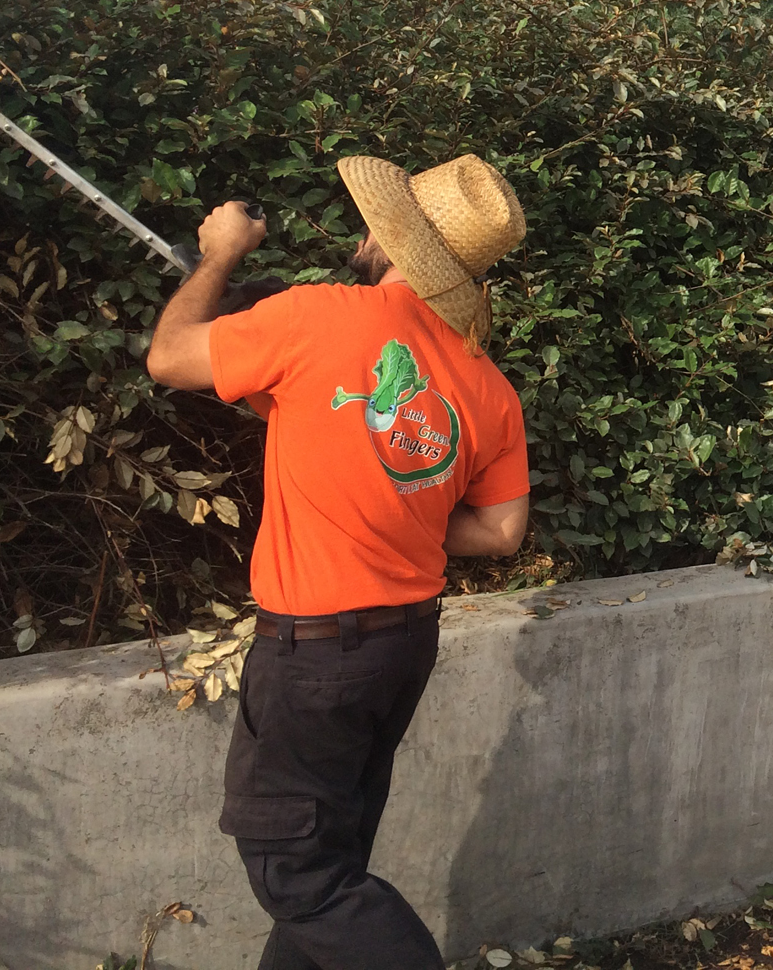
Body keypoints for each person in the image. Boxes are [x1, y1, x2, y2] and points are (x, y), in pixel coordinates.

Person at [146, 153, 532, 970]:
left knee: (297, 873)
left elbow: (171, 356)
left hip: (315, 652)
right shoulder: (487, 384)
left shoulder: (319, 315)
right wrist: (401, 509)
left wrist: (219, 254)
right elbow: (501, 533)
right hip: (403, 646)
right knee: (333, 860)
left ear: (383, 235)